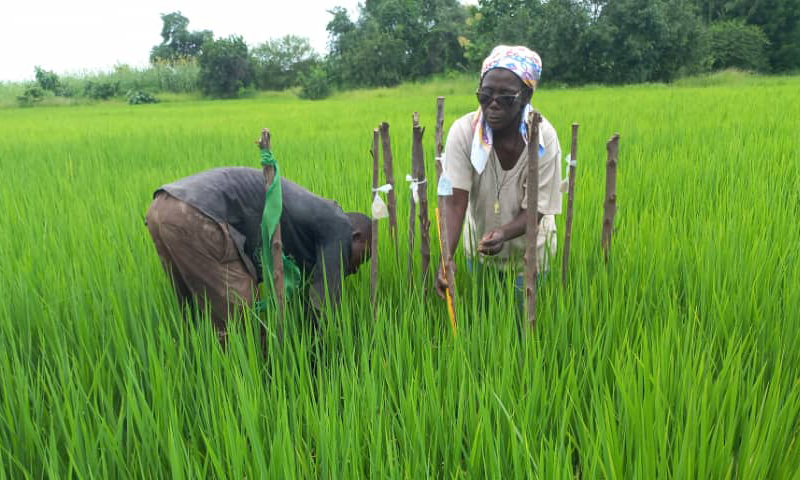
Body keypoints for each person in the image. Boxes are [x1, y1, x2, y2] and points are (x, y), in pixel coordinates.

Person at [145, 166, 372, 340]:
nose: (354, 270)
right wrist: (322, 354)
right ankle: (250, 383)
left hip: (163, 207)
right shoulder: (338, 224)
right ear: (356, 236)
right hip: (194, 212)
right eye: (363, 259)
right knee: (242, 315)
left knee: (194, 312)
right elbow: (324, 306)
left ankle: (204, 367)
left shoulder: (313, 226)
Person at [435, 45, 562, 303]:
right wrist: (446, 256)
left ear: (526, 95)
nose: (492, 104)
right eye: (485, 95)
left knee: (523, 328)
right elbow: (455, 202)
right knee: (484, 323)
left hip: (530, 253)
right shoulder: (464, 133)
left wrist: (503, 233)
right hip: (480, 252)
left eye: (505, 97)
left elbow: (536, 209)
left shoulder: (542, 137)